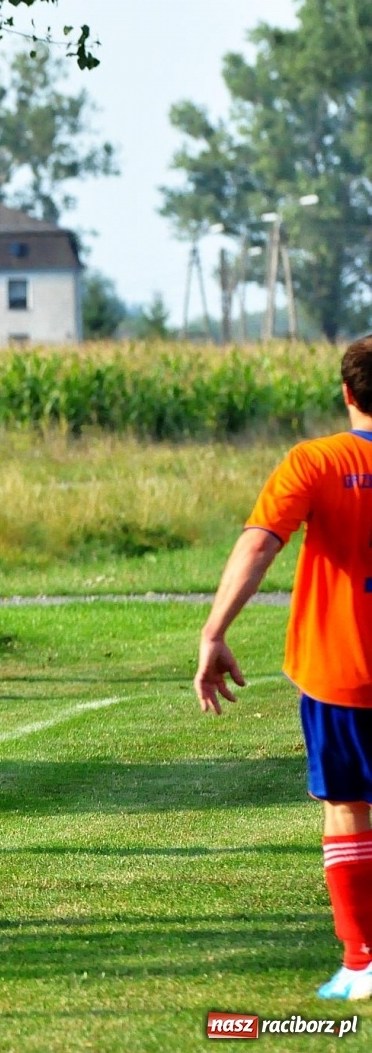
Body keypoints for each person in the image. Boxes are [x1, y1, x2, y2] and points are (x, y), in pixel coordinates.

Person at [195, 335, 372, 1001]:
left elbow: (260, 542)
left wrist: (215, 630)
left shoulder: (315, 460)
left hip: (342, 669)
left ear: (348, 394)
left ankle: (361, 962)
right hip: (338, 672)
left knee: (349, 806)